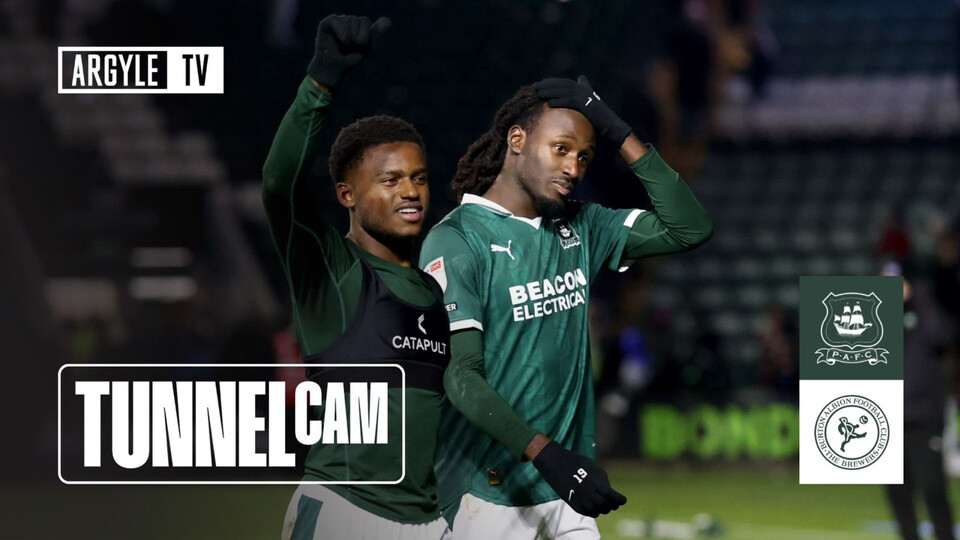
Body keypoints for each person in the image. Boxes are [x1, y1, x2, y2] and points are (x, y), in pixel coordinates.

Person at [420, 76, 713, 538]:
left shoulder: (583, 225)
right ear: (517, 139)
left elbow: (689, 227)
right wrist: (546, 453)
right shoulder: (456, 240)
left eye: (584, 156)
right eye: (560, 149)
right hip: (489, 495)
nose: (573, 168)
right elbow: (460, 376)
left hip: (568, 491)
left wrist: (616, 130)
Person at [263, 14, 450, 540]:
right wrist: (321, 82)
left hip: (428, 521)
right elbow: (278, 183)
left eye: (418, 177)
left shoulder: (433, 291)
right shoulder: (332, 269)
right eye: (390, 180)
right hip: (346, 513)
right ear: (347, 194)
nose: (409, 191)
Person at [882, 261, 956, 540]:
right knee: (897, 492)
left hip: (923, 419)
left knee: (933, 489)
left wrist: (919, 299)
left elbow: (943, 334)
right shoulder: (875, 320)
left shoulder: (925, 313)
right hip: (887, 419)